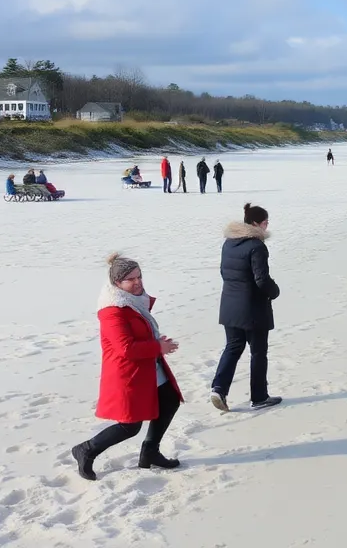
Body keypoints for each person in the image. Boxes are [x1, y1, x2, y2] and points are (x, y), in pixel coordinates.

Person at [71, 254, 184, 481]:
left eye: (139, 276)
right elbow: (125, 348)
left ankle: (150, 452)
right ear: (117, 284)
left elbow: (137, 334)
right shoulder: (112, 310)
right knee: (130, 425)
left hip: (149, 368)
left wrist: (154, 341)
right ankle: (86, 449)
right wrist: (157, 346)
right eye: (130, 279)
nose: (137, 282)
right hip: (128, 373)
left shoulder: (133, 301)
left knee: (170, 399)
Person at [210, 203, 282, 411]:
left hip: (230, 306)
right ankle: (259, 397)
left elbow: (225, 273)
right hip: (252, 309)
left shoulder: (229, 243)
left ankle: (218, 388)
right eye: (265, 222)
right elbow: (261, 279)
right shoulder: (257, 246)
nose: (267, 226)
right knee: (258, 352)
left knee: (233, 347)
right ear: (254, 224)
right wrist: (274, 291)